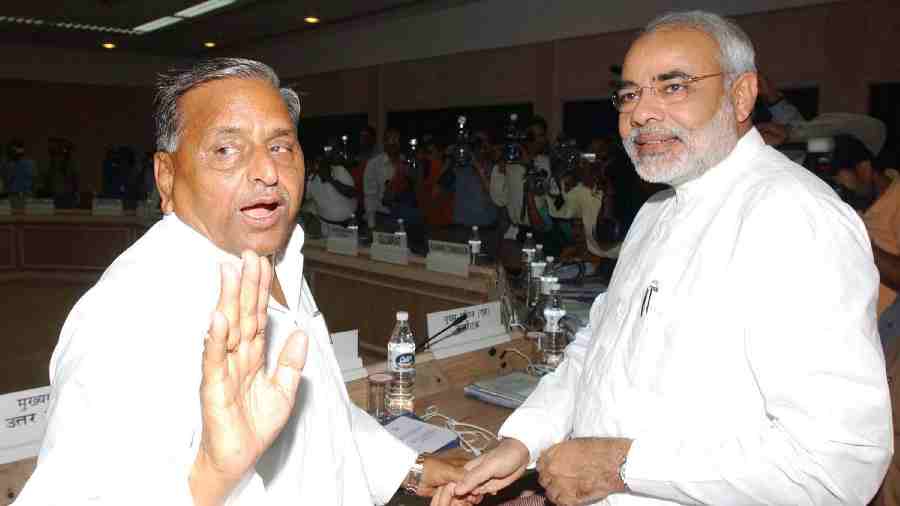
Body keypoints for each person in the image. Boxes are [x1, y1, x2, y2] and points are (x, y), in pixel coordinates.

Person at [448, 10, 892, 506]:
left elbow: (835, 467)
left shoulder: (794, 220)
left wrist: (621, 464)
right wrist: (526, 440)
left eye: (673, 87)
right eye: (630, 94)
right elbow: (598, 350)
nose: (641, 113)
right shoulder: (658, 209)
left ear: (741, 96)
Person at [14, 58, 470, 505]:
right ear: (166, 177)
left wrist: (408, 469)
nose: (268, 172)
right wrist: (211, 478)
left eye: (280, 146)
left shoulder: (274, 257)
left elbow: (319, 412)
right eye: (226, 150)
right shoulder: (128, 317)